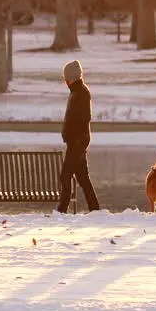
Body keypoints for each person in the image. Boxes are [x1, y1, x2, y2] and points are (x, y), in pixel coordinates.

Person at [57, 60, 101, 213]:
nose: (65, 81)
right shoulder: (76, 91)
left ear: (71, 77)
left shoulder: (81, 92)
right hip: (76, 141)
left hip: (78, 141)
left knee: (65, 175)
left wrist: (74, 137)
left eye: (66, 77)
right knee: (82, 177)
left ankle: (62, 210)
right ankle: (95, 209)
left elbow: (83, 118)